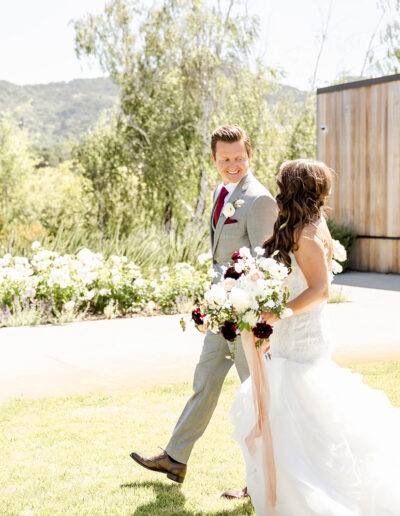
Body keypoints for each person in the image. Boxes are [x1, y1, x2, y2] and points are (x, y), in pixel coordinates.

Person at [230, 158, 400, 515]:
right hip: (292, 336)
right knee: (289, 415)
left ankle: (314, 496)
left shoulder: (306, 232)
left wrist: (276, 312)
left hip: (301, 340)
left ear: (291, 188)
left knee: (299, 414)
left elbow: (320, 290)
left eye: (280, 184)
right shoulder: (302, 224)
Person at [130, 125, 277, 496]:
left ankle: (259, 480)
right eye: (225, 158)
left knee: (255, 394)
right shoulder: (220, 191)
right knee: (205, 381)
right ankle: (175, 457)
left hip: (244, 317)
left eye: (239, 157)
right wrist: (212, 301)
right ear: (214, 159)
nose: (233, 165)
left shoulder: (258, 199)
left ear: (250, 155)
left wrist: (249, 313)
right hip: (221, 312)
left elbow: (264, 264)